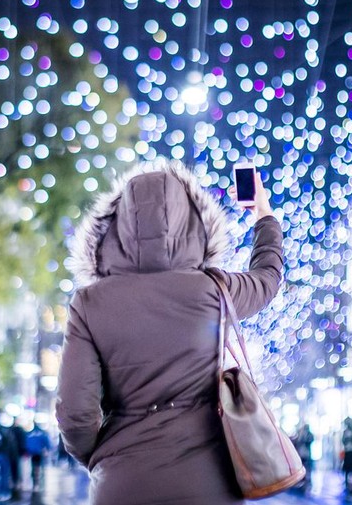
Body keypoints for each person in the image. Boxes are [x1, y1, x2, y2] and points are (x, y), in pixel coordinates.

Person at [56, 160, 282, 505]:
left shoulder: (89, 304)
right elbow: (267, 279)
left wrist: (106, 456)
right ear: (195, 223)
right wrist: (263, 215)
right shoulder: (215, 289)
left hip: (122, 485)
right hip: (210, 482)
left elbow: (76, 414)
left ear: (114, 227)